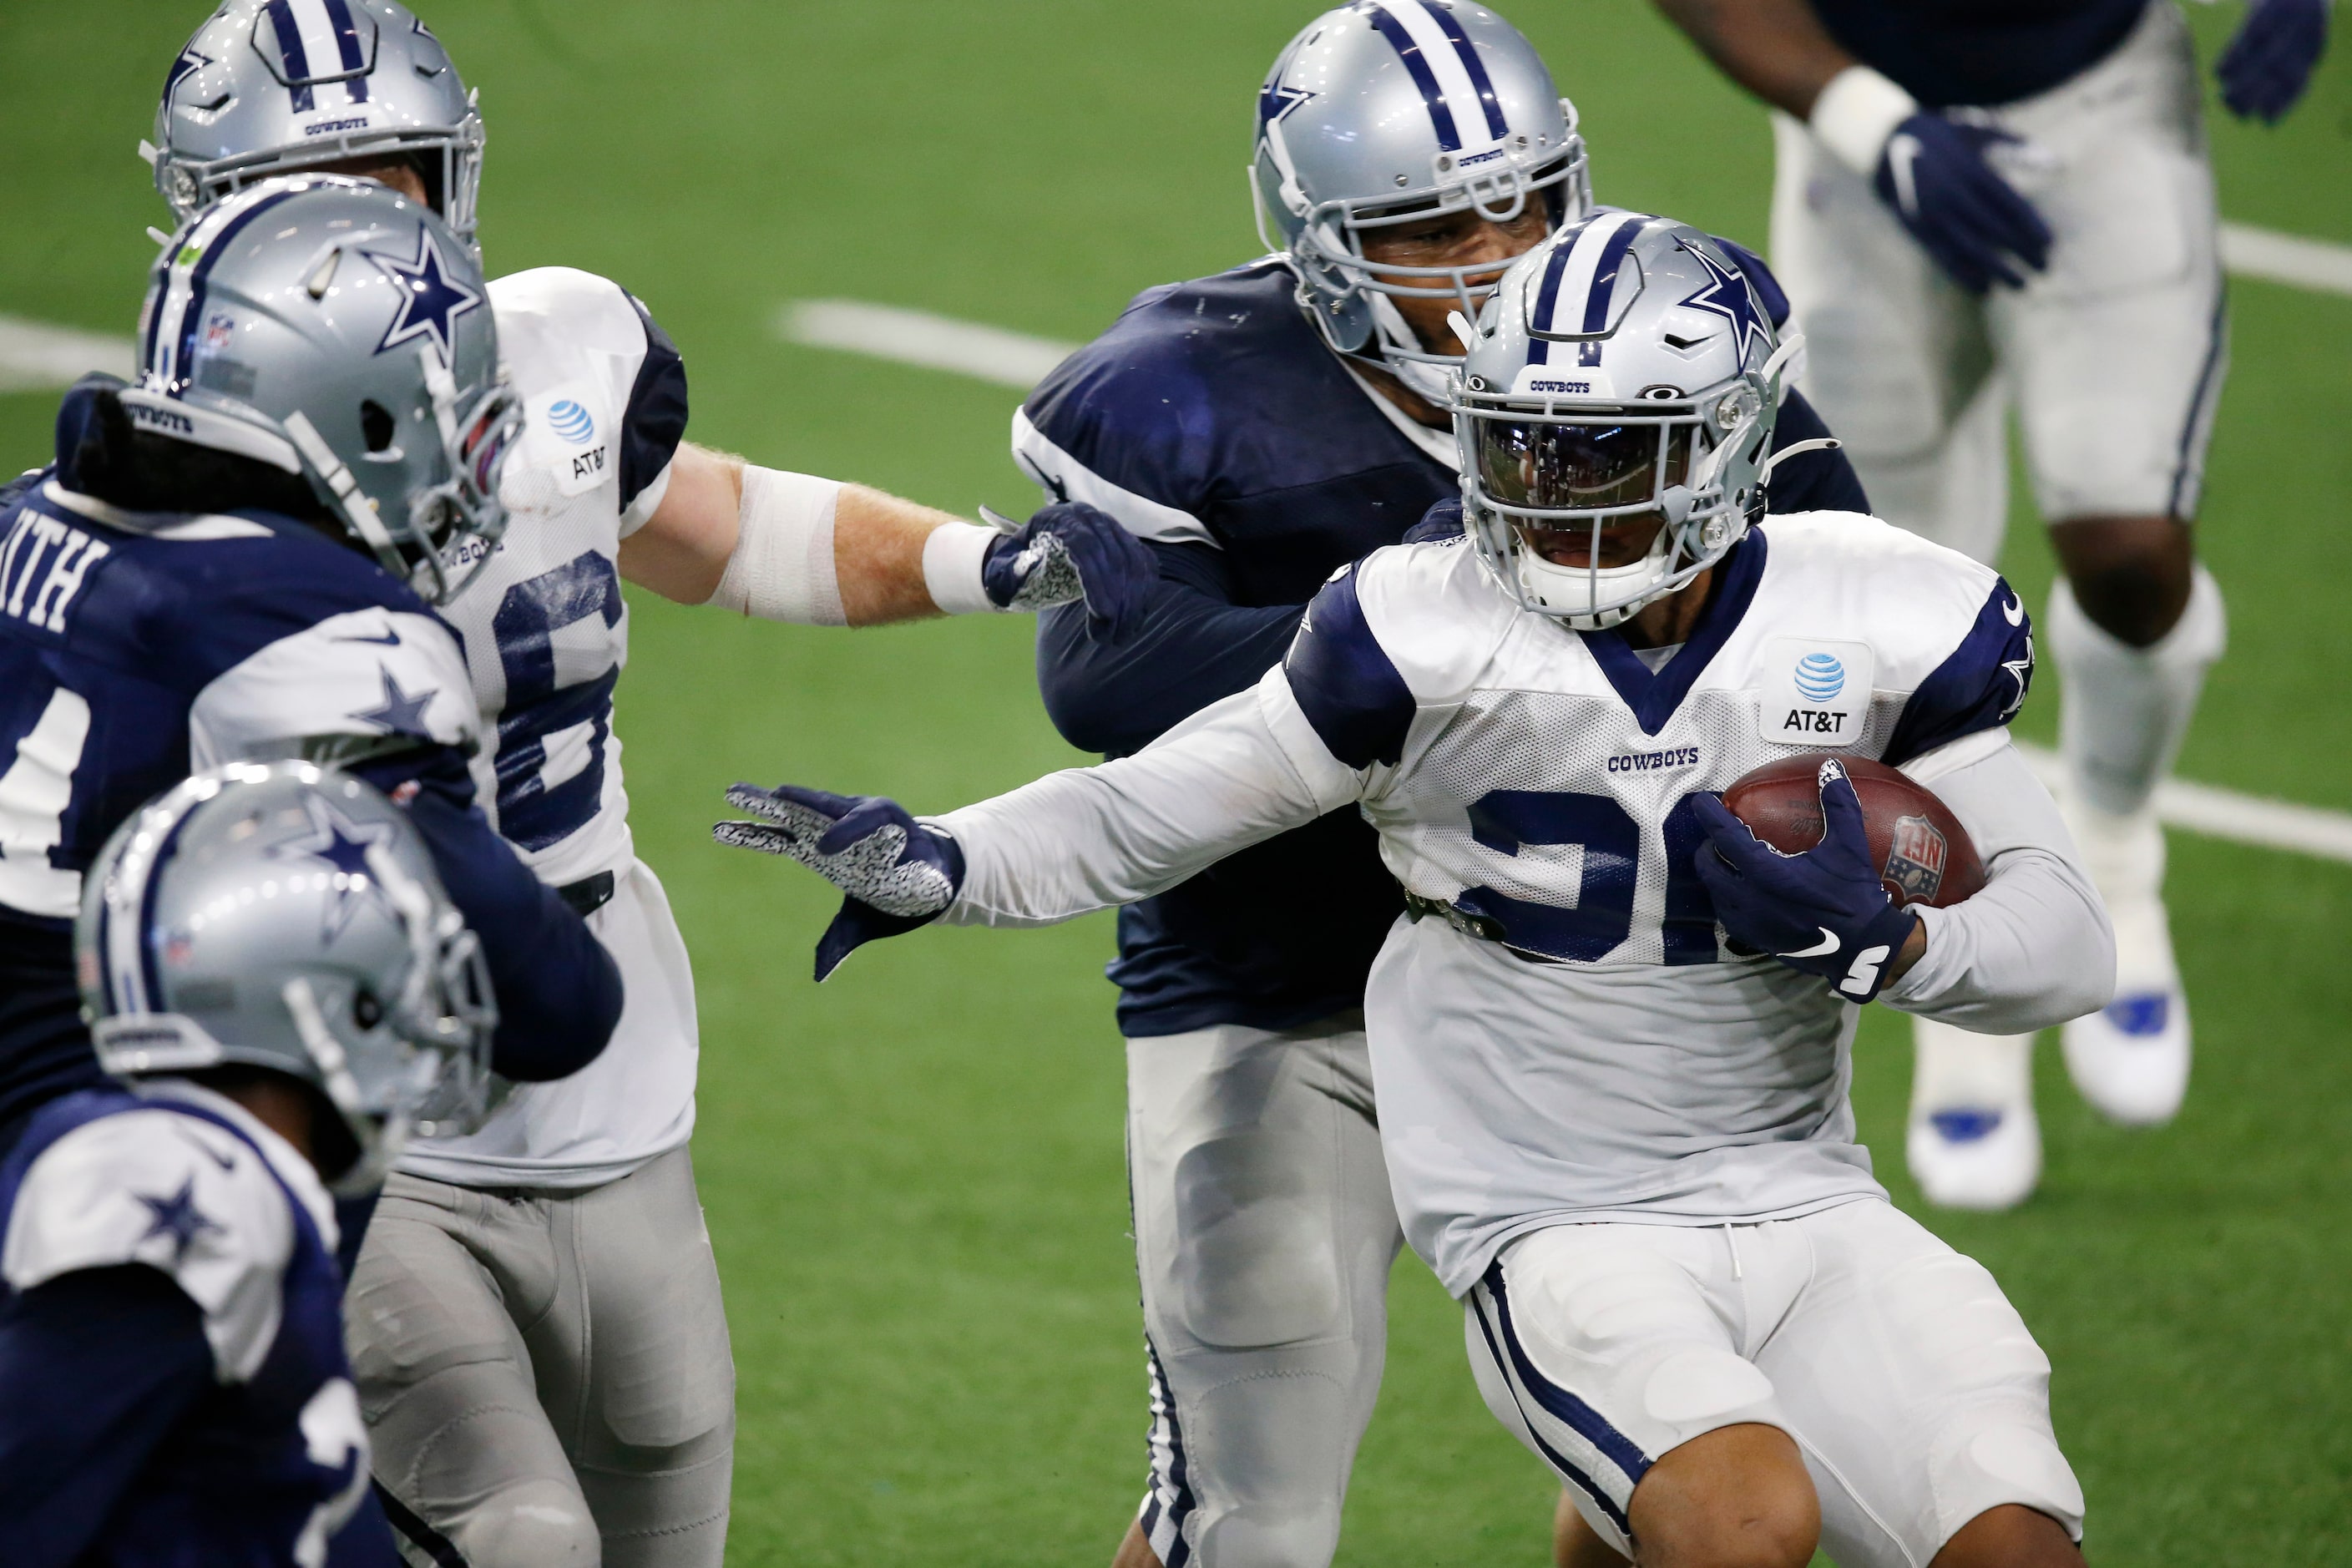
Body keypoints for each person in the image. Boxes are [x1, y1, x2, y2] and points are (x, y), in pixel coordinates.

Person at [718, 215, 2115, 1568]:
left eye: (1598, 454)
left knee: (2007, 1536)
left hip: (1805, 1183)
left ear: (1726, 443)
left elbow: (2063, 940)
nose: (1546, 488)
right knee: (1735, 1520)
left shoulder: (1880, 609)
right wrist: (948, 862)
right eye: (1515, 443)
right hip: (1552, 1203)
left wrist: (1895, 940)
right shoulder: (1420, 620)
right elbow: (1155, 805)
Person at [142, 6, 1156, 1562]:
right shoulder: (152, 508)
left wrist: (978, 562)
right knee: (517, 1531)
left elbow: (715, 523)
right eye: (310, 191)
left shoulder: (556, 346)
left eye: (390, 177)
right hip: (351, 1098)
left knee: (661, 1521)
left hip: (611, 1069)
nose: (364, 235)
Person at [1004, 4, 1865, 1564]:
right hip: (1281, 990)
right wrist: (1439, 639)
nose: (1490, 255)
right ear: (1322, 246)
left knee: (1703, 1474)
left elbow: (1838, 597)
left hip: (1590, 996)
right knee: (1247, 1514)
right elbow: (1102, 678)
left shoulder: (1655, 341)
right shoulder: (1177, 388)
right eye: (1425, 227)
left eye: (1523, 204)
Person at [1648, 0, 2329, 1206]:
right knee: (1884, 587)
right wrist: (1873, 124)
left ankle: (2115, 851)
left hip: (2100, 99)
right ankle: (1959, 944)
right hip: (1866, 122)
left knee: (2130, 556)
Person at [0, 175, 619, 1190]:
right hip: (97, 1199)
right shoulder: (315, 626)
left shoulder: (27, 514)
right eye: (441, 402)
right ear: (363, 413)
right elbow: (555, 1004)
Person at [0, 762, 494, 1566]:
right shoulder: (173, 1179)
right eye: (393, 987)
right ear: (318, 999)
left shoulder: (246, 1174)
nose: (422, 1021)